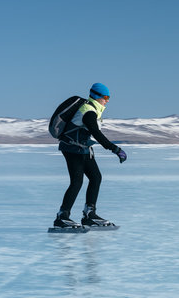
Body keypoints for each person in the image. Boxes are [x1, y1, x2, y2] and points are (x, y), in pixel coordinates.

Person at [53, 83, 127, 229]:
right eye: (105, 97)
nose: (107, 100)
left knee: (96, 177)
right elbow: (96, 133)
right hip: (72, 148)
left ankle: (89, 215)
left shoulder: (93, 110)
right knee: (77, 181)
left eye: (109, 97)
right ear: (97, 96)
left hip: (83, 149)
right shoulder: (88, 112)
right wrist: (115, 149)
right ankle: (62, 217)